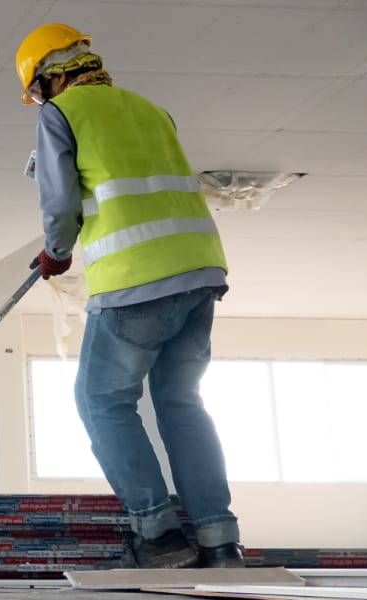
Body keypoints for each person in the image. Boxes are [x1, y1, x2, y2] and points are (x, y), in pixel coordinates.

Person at [17, 23, 242, 569]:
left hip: (135, 277)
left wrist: (56, 252)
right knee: (182, 403)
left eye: (38, 90)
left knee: (101, 400)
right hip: (199, 271)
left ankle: (158, 533)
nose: (39, 101)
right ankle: (219, 539)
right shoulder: (150, 108)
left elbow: (60, 203)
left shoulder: (61, 113)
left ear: (52, 76)